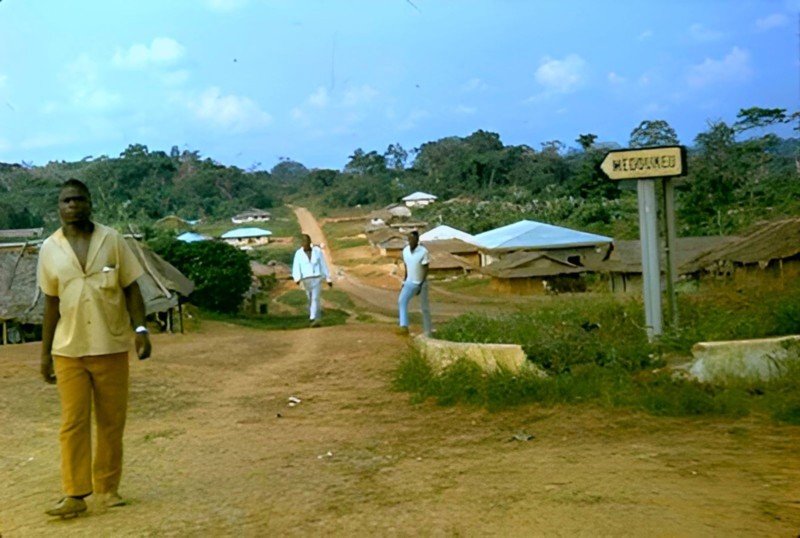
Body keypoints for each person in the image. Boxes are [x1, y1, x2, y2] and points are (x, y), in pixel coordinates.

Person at [38, 179, 152, 518]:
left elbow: (131, 288)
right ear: (58, 207)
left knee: (111, 421)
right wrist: (44, 354)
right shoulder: (50, 248)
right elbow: (51, 303)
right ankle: (75, 493)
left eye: (78, 199)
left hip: (110, 345)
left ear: (90, 203)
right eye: (66, 201)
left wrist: (141, 329)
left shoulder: (112, 240)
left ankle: (108, 488)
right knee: (73, 422)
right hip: (68, 349)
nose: (72, 205)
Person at [291, 233, 332, 327]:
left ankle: (313, 318)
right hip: (306, 279)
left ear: (310, 242)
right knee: (310, 298)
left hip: (316, 278)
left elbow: (323, 264)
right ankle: (315, 317)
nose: (305, 243)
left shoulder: (317, 251)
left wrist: (328, 278)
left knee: (315, 298)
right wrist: (297, 278)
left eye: (307, 241)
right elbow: (296, 266)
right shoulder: (299, 253)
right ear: (301, 243)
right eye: (304, 242)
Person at [397, 230, 432, 336]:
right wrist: (405, 280)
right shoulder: (405, 251)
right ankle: (404, 326)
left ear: (417, 240)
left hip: (420, 282)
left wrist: (421, 285)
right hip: (409, 282)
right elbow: (406, 266)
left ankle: (428, 331)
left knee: (424, 308)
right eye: (409, 239)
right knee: (402, 301)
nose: (411, 241)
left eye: (413, 239)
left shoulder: (423, 252)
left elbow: (426, 268)